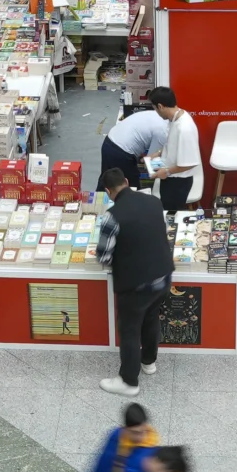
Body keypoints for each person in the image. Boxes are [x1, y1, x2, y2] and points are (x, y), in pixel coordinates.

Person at [95, 164, 172, 397]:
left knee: (129, 329)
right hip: (163, 276)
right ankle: (149, 362)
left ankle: (129, 381)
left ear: (108, 192)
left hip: (136, 283)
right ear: (126, 182)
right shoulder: (153, 201)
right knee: (151, 318)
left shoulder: (112, 217)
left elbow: (104, 255)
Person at [98, 87, 180, 189]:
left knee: (106, 179)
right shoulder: (163, 130)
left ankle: (97, 202)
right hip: (121, 152)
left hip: (109, 140)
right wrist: (168, 170)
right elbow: (149, 163)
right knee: (131, 186)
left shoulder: (159, 116)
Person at [156, 90, 203, 213]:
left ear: (160, 106)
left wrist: (166, 171)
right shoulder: (174, 118)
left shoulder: (184, 128)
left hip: (178, 182)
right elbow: (173, 144)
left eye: (155, 109)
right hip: (170, 176)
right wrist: (159, 153)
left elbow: (190, 163)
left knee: (171, 216)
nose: (157, 113)